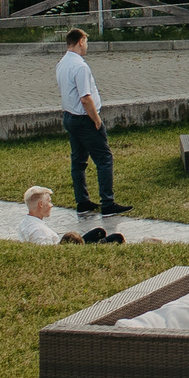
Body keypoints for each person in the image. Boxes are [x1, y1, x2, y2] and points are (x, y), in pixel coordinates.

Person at [56, 28, 128, 216]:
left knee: (78, 161)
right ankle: (107, 202)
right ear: (80, 41)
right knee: (104, 159)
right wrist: (96, 120)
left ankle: (83, 201)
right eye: (86, 42)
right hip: (85, 118)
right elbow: (85, 97)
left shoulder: (62, 63)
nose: (86, 46)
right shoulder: (80, 67)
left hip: (69, 117)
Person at [19, 185, 121, 245]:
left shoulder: (24, 223)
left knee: (99, 231)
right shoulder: (39, 231)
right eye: (49, 202)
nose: (51, 205)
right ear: (40, 204)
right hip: (63, 249)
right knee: (117, 237)